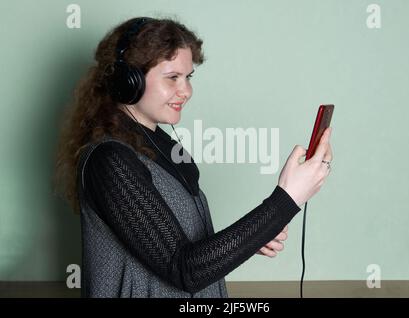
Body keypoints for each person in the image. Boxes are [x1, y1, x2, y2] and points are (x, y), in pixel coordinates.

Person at [54, 17, 333, 298]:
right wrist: (286, 200)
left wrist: (255, 235)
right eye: (172, 77)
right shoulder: (110, 161)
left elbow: (186, 250)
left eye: (188, 77)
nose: (185, 91)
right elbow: (184, 269)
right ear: (129, 82)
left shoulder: (160, 148)